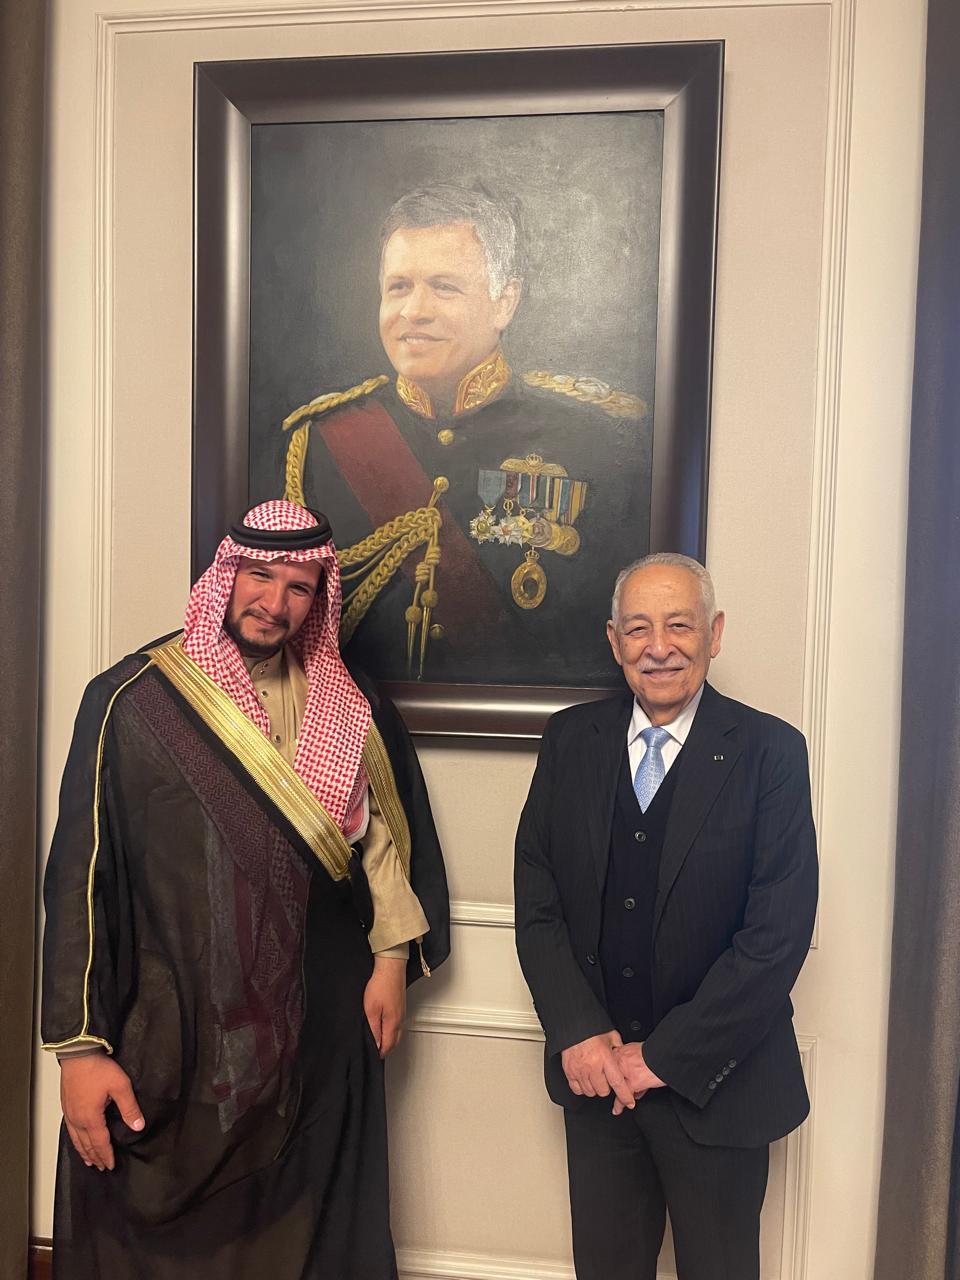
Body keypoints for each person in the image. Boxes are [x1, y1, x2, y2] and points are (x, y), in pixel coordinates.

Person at [41, 500, 449, 1280]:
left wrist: (393, 960)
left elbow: (381, 846)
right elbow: (81, 879)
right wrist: (81, 1050)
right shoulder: (133, 701)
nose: (275, 602)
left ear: (318, 598)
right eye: (259, 576)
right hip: (175, 1029)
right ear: (224, 574)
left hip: (320, 1026)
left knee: (310, 1224)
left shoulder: (350, 705)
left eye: (299, 587)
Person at [514, 553, 818, 1280]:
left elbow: (775, 937)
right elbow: (537, 899)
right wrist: (578, 1031)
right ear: (613, 639)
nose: (659, 647)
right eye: (638, 628)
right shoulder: (569, 741)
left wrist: (660, 1058)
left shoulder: (771, 751)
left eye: (679, 625)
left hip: (721, 1086)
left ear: (715, 633)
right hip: (598, 1084)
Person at [279, 182, 649, 686]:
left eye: (444, 287)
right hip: (367, 728)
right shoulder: (322, 441)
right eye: (399, 287)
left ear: (504, 303)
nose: (414, 311)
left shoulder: (593, 440)